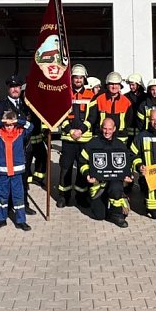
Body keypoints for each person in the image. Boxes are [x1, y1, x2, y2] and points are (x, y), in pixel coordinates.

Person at [79, 117, 134, 227]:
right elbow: (81, 161)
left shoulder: (120, 145)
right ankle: (104, 203)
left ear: (114, 129)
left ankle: (117, 214)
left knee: (116, 187)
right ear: (101, 128)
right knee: (99, 216)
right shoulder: (92, 143)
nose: (107, 132)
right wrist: (87, 174)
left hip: (114, 183)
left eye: (109, 129)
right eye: (104, 128)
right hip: (98, 186)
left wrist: (129, 176)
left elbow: (127, 163)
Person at [57, 64, 97, 208]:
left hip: (84, 139)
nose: (78, 80)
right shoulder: (64, 94)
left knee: (83, 167)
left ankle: (81, 196)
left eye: (81, 77)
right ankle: (63, 196)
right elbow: (61, 115)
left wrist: (80, 131)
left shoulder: (91, 96)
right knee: (65, 167)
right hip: (68, 139)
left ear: (84, 79)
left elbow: (93, 117)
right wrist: (70, 130)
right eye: (76, 77)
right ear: (71, 79)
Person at [0, 110, 34, 231]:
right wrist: (2, 121)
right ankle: (1, 219)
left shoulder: (20, 132)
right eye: (7, 124)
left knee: (18, 197)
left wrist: (17, 121)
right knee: (2, 197)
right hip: (3, 172)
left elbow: (31, 126)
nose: (9, 126)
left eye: (11, 124)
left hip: (17, 172)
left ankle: (21, 221)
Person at [94, 71, 134, 146]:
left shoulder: (126, 101)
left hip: (120, 138)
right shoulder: (99, 99)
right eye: (111, 84)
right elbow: (94, 118)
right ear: (107, 85)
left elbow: (129, 120)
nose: (114, 86)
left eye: (116, 84)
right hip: (101, 137)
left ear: (120, 86)